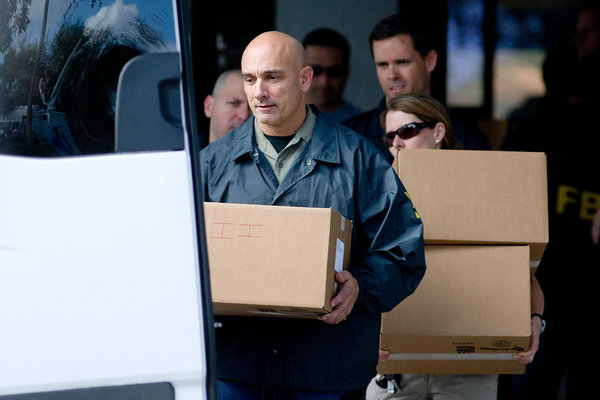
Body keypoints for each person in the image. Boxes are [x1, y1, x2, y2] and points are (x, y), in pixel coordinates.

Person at [200, 31, 426, 399]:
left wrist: (360, 286)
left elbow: (404, 249)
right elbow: (177, 256)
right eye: (250, 79)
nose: (258, 92)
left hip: (325, 371)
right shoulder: (212, 164)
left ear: (304, 79)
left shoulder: (360, 159)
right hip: (235, 369)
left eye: (273, 77)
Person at [365, 94, 545, 400]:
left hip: (470, 368)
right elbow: (360, 275)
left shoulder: (484, 191)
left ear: (438, 132)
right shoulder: (375, 194)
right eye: (390, 135)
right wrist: (366, 329)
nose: (397, 142)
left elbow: (521, 269)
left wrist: (535, 321)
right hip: (396, 371)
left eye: (407, 131)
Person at [342, 14, 491, 164]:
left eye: (402, 62)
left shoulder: (464, 134)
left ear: (430, 61)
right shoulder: (348, 135)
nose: (392, 75)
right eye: (382, 65)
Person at [301, 28, 362, 122]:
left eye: (335, 72)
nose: (324, 81)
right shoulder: (276, 117)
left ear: (346, 73)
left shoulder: (362, 126)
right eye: (315, 70)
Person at [200, 68, 251, 147]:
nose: (244, 115)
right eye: (234, 103)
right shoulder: (183, 155)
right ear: (209, 106)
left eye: (251, 107)